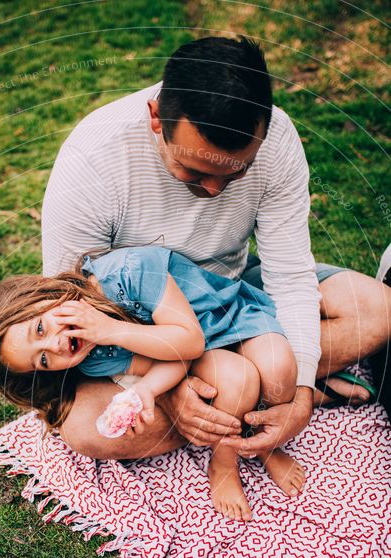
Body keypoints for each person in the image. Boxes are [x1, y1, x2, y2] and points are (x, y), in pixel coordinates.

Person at [41, 36, 391, 462]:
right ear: (156, 118)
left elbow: (289, 277)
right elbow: (71, 296)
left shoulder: (277, 141)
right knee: (86, 430)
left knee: (378, 309)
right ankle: (250, 388)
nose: (214, 189)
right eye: (194, 170)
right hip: (142, 328)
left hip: (232, 292)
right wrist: (165, 386)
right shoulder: (93, 156)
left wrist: (298, 398)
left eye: (236, 172)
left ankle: (244, 389)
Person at [0, 245, 306, 521]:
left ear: (43, 295)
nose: (55, 347)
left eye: (40, 330)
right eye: (42, 360)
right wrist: (145, 390)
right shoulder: (91, 357)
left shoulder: (128, 270)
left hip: (226, 316)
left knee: (279, 373)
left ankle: (265, 443)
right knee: (238, 379)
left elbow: (188, 340)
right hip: (196, 350)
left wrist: (109, 330)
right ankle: (225, 461)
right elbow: (175, 359)